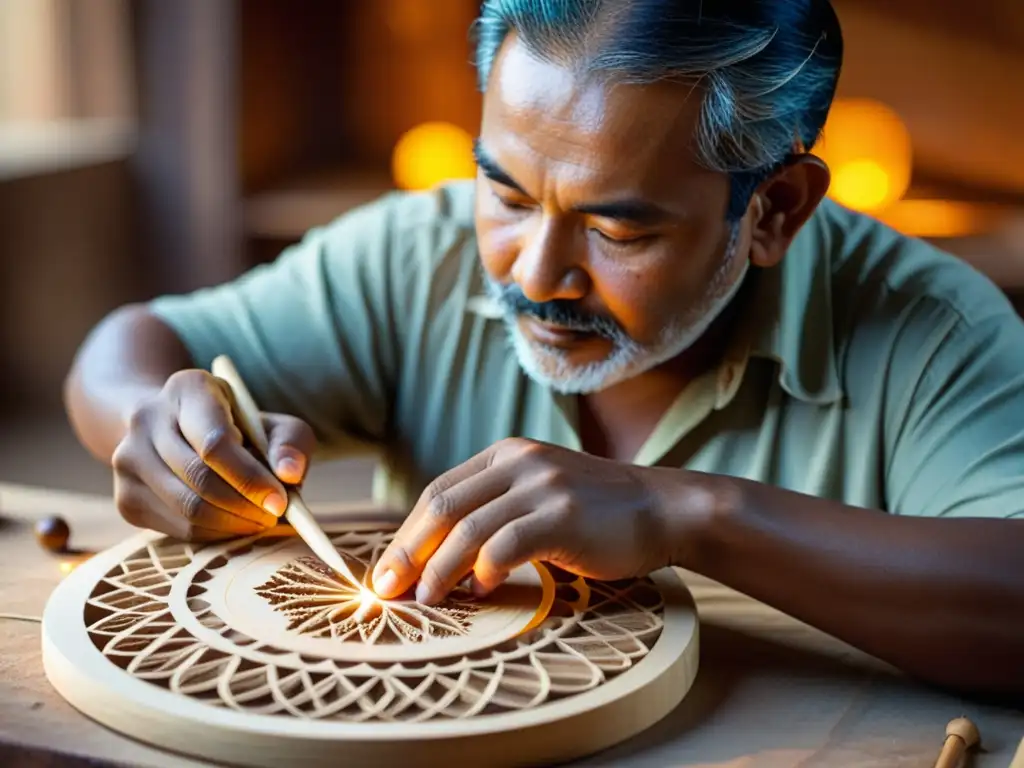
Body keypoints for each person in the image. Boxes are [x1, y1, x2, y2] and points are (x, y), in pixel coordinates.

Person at [65, 0, 1024, 697]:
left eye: (620, 231)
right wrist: (158, 426)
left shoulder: (930, 327)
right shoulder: (420, 254)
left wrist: (689, 515)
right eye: (509, 196)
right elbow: (127, 349)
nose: (535, 274)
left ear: (773, 210)